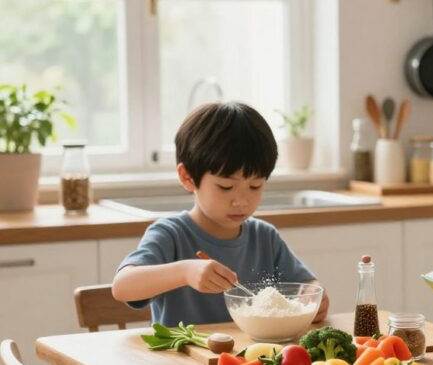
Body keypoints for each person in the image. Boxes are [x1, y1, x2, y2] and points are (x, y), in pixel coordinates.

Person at [112, 102, 330, 326]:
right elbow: (122, 287)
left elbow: (306, 285)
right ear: (187, 177)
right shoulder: (171, 234)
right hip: (184, 358)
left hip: (252, 357)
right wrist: (186, 272)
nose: (241, 201)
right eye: (226, 187)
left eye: (255, 186)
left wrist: (314, 297)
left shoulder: (264, 237)